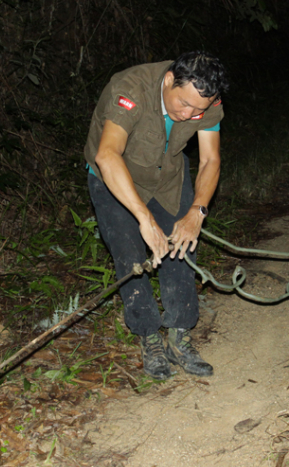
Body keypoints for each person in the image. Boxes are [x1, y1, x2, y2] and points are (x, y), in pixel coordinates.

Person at [84, 51, 229, 380]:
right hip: (115, 178)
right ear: (168, 81)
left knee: (182, 246)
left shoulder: (208, 102)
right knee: (130, 255)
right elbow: (107, 155)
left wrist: (198, 211)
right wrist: (143, 218)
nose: (189, 114)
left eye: (198, 110)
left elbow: (209, 160)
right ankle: (148, 336)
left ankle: (180, 335)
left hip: (166, 177)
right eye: (183, 104)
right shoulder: (132, 89)